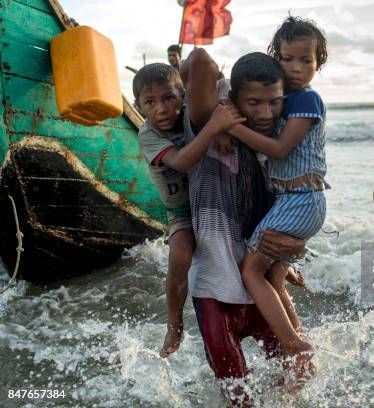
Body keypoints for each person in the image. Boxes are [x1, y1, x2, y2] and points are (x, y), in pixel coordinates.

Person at [182, 49, 308, 405]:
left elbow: (290, 210)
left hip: (262, 290)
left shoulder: (276, 146)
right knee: (238, 397)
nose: (264, 114)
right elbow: (199, 59)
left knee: (295, 383)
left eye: (274, 103)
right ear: (234, 99)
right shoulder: (208, 130)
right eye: (253, 102)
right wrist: (222, 111)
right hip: (216, 291)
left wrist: (290, 257)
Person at [226, 15, 329, 386]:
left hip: (301, 200)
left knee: (251, 272)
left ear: (319, 64)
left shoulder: (307, 100)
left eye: (307, 61)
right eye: (288, 59)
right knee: (273, 274)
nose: (297, 69)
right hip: (293, 201)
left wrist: (231, 126)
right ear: (276, 58)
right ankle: (299, 345)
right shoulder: (280, 96)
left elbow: (279, 147)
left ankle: (292, 344)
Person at [133, 62, 244, 358]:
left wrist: (219, 107)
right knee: (180, 253)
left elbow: (221, 82)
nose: (162, 109)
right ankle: (174, 323)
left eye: (169, 98)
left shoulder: (190, 115)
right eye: (150, 102)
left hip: (213, 204)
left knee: (250, 238)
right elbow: (181, 161)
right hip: (182, 212)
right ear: (139, 107)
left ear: (183, 95)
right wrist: (213, 129)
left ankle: (285, 267)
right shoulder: (148, 135)